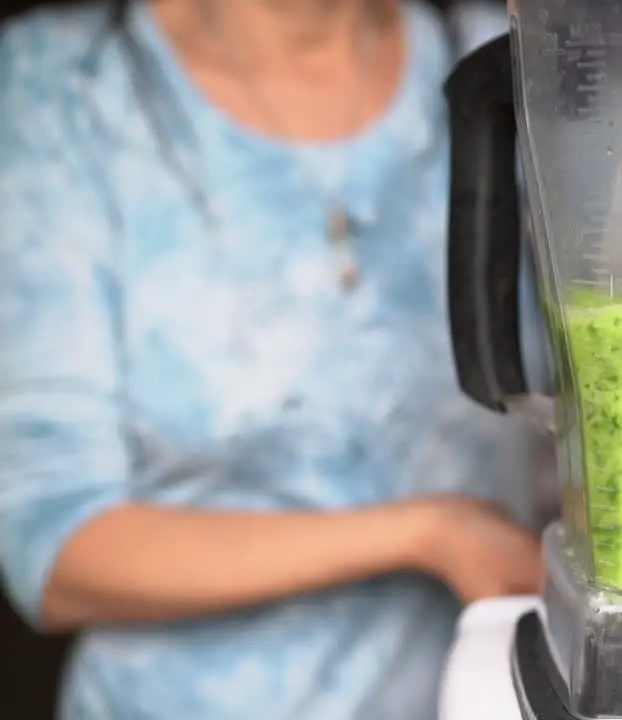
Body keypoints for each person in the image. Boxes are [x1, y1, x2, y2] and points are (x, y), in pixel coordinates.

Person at [0, 0, 553, 717]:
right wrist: (432, 533)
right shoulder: (64, 86)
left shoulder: (512, 55)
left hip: (479, 694)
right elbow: (56, 550)